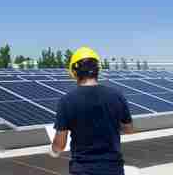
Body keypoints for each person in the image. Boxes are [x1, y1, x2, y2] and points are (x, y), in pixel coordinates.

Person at [50, 46, 134, 175]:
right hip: (113, 169)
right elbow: (128, 129)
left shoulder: (66, 101)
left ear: (74, 71)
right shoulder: (117, 95)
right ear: (97, 70)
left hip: (83, 170)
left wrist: (54, 151)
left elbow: (60, 144)